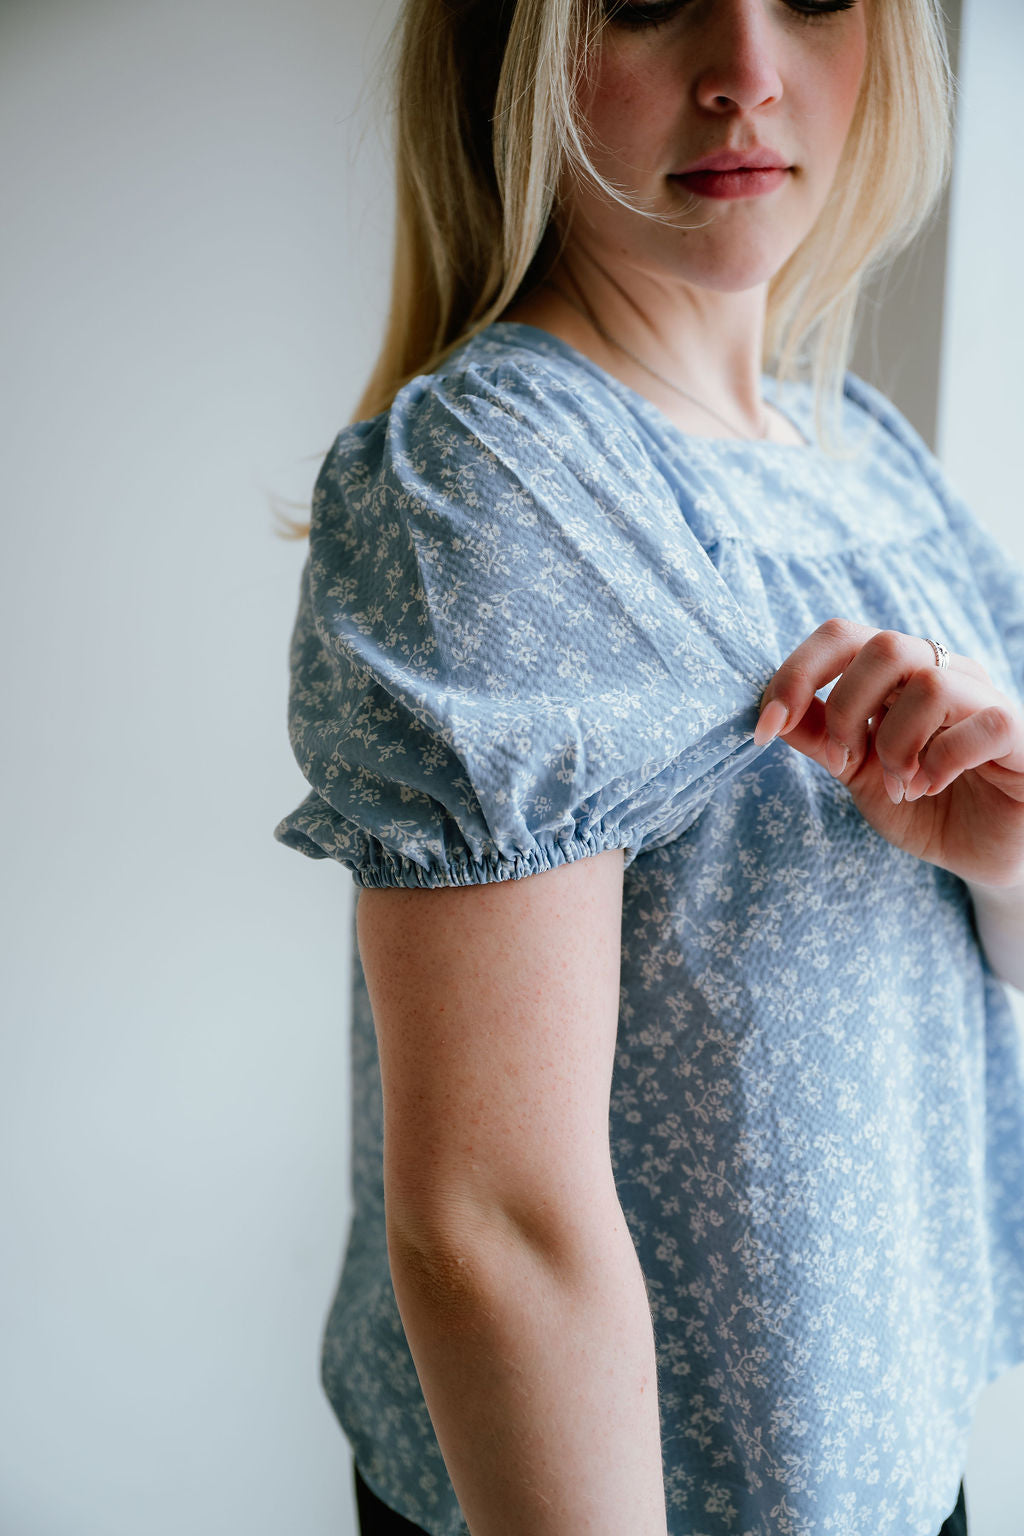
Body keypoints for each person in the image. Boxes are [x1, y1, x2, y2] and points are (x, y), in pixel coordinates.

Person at [273, 0, 1024, 1531]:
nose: (747, 70)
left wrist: (1006, 858)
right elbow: (495, 1225)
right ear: (511, 57)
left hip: (880, 1456)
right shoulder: (495, 481)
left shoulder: (863, 450)